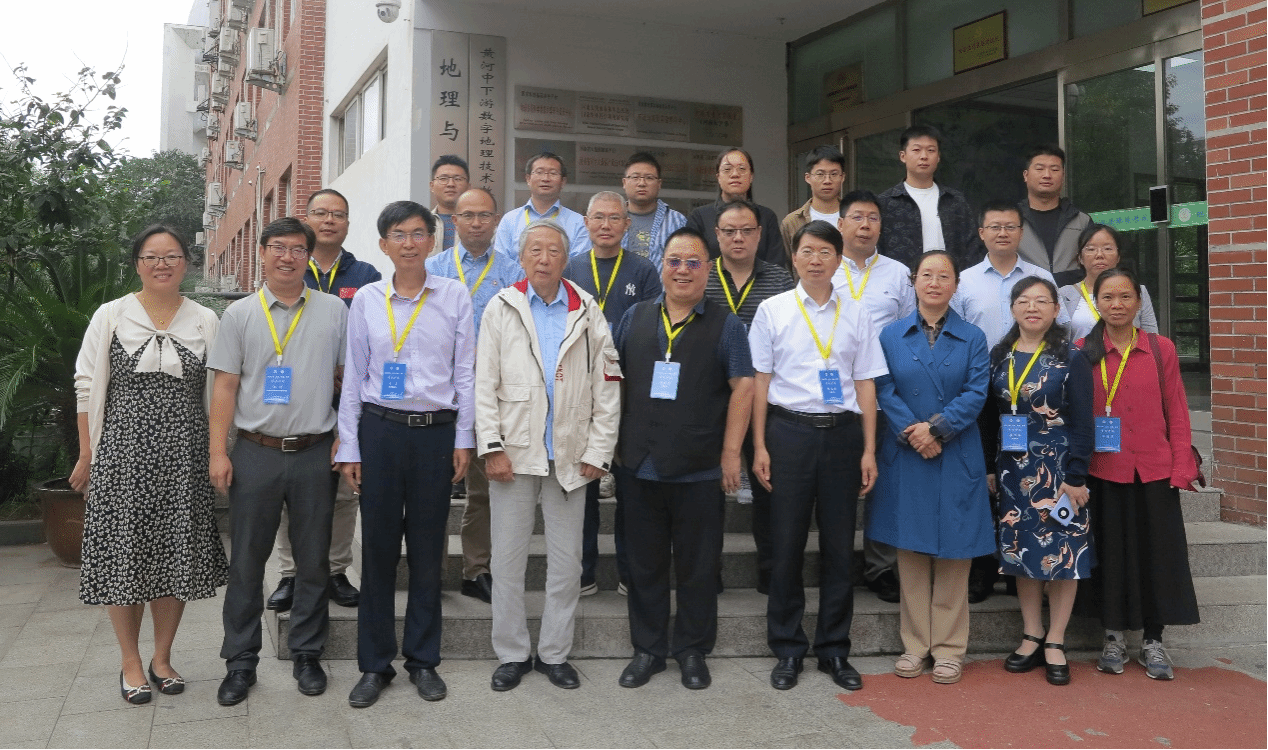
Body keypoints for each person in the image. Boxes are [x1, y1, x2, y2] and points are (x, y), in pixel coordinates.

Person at [72, 225, 229, 705]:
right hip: (122, 457)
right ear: (137, 263)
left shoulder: (205, 319)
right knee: (123, 557)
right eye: (151, 256)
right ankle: (130, 662)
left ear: (187, 262)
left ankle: (162, 657)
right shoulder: (111, 315)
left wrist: (217, 452)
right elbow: (85, 385)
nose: (162, 264)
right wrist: (86, 453)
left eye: (172, 255)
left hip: (184, 460)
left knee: (174, 557)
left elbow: (220, 392)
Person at [336, 201, 476, 708]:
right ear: (384, 244)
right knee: (376, 551)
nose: (410, 243)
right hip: (381, 432)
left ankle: (423, 660)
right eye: (399, 234)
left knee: (426, 550)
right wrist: (350, 445)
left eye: (419, 233)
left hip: (435, 434)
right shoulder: (367, 299)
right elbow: (355, 375)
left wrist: (464, 438)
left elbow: (466, 372)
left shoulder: (454, 295)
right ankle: (375, 665)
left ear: (432, 242)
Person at [476, 219, 622, 692]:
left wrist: (599, 450)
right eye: (534, 250)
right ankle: (512, 653)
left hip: (570, 457)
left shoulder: (587, 309)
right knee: (507, 562)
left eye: (553, 251)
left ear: (566, 258)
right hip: (514, 455)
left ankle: (556, 653)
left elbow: (608, 386)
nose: (544, 258)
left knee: (566, 565)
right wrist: (491, 446)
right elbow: (484, 383)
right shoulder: (502, 306)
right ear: (521, 258)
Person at [208, 217, 348, 706]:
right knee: (247, 563)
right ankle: (240, 662)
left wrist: (346, 438)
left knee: (313, 561)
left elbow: (348, 378)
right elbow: (224, 386)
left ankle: (307, 653)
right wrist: (218, 452)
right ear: (263, 253)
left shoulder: (334, 311)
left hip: (315, 453)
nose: (288, 257)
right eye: (278, 247)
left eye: (297, 249)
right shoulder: (240, 314)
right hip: (256, 452)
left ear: (309, 256)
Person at [613, 227, 754, 690]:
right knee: (644, 565)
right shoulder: (634, 316)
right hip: (639, 463)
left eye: (693, 262)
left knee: (698, 566)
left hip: (699, 466)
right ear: (662, 266)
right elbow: (612, 381)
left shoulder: (727, 325)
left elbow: (744, 386)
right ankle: (648, 650)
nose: (683, 270)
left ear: (708, 270)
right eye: (674, 261)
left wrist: (731, 454)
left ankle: (692, 650)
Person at [749, 220, 885, 693]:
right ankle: (787, 648)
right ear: (794, 257)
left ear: (838, 259)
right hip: (788, 433)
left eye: (825, 252)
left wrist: (869, 449)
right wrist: (759, 445)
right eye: (807, 250)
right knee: (785, 545)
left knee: (838, 548)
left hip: (842, 437)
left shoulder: (857, 313)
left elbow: (866, 383)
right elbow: (760, 382)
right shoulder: (773, 310)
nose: (815, 260)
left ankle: (833, 649)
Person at [869, 250, 993, 686]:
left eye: (944, 276)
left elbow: (977, 392)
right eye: (927, 275)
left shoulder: (973, 336)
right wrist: (914, 432)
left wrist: (937, 429)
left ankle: (950, 649)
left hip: (956, 451)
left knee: (956, 554)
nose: (935, 282)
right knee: (911, 551)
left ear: (956, 285)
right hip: (907, 452)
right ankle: (915, 645)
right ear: (914, 282)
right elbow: (883, 388)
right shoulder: (890, 335)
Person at [1076, 268, 1201, 682]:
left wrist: (1181, 466)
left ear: (1139, 302)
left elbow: (1177, 410)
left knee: (1157, 556)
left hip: (1154, 469)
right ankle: (1112, 636)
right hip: (1103, 470)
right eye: (1108, 297)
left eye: (1125, 296)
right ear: (1096, 303)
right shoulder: (1082, 352)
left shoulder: (1161, 349)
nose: (1117, 305)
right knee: (1110, 554)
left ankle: (1153, 640)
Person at [266, 188, 382, 615]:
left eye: (338, 214)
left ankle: (335, 570)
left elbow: (378, 332)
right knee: (288, 493)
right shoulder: (290, 266)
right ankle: (290, 573)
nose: (329, 220)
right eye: (320, 212)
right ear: (307, 219)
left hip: (348, 400)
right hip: (295, 399)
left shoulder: (366, 274)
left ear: (348, 224)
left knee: (345, 492)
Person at [952, 200, 1069, 602]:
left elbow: (1059, 331)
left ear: (1021, 233)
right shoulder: (965, 281)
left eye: (1010, 226)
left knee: (1028, 488)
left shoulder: (1041, 277)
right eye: (994, 226)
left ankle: (1025, 568)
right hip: (984, 390)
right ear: (981, 233)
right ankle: (984, 570)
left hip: (1036, 396)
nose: (1002, 233)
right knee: (986, 481)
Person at [982, 277, 1094, 687]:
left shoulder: (1071, 358)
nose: (1032, 308)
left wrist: (1077, 475)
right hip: (1012, 472)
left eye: (1042, 301)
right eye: (1024, 301)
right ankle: (1031, 633)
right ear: (1013, 308)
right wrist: (989, 467)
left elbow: (1083, 420)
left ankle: (1056, 639)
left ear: (1055, 310)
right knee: (1021, 551)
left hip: (1061, 474)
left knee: (1064, 553)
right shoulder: (1000, 356)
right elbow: (989, 417)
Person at [425, 188, 524, 605]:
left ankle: (476, 569)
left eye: (485, 215)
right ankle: (429, 571)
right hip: (436, 392)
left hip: (490, 394)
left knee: (483, 489)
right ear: (454, 221)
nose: (477, 222)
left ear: (497, 220)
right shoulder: (433, 268)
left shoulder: (513, 271)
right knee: (431, 487)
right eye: (468, 215)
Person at [563, 191, 662, 596]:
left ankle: (629, 572)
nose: (606, 225)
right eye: (598, 217)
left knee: (631, 485)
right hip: (580, 389)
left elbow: (655, 326)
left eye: (614, 218)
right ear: (586, 223)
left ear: (627, 224)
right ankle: (583, 571)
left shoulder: (643, 270)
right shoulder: (570, 267)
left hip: (629, 389)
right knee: (580, 485)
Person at [704, 199, 794, 591]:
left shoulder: (780, 279)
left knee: (768, 488)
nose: (738, 238)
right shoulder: (702, 275)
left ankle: (771, 573)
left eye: (746, 231)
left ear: (759, 234)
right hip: (711, 396)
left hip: (765, 398)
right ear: (717, 235)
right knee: (707, 491)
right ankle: (709, 573)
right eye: (729, 231)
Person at [833, 190, 915, 605]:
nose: (865, 225)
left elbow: (908, 333)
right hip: (833, 396)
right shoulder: (824, 267)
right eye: (857, 217)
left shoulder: (898, 273)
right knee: (835, 483)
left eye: (873, 218)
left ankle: (880, 566)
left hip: (882, 397)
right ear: (840, 224)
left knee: (881, 483)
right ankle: (836, 563)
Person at [876, 125, 985, 270]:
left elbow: (972, 247)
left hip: (950, 281)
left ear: (938, 157)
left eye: (931, 150)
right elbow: (877, 249)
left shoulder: (954, 200)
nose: (924, 156)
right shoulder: (885, 202)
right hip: (901, 281)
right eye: (916, 150)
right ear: (903, 156)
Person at [686, 148, 787, 269]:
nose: (735, 174)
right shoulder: (699, 217)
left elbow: (776, 265)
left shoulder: (766, 216)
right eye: (727, 169)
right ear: (718, 177)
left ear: (751, 176)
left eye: (742, 169)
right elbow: (692, 262)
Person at [1058, 223, 1159, 341]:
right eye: (1091, 249)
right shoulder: (1064, 294)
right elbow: (1058, 340)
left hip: (1128, 353)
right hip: (1080, 353)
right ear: (1080, 257)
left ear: (1118, 256)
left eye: (1107, 249)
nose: (1099, 255)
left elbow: (1152, 338)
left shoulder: (1138, 290)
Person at [1016, 144, 1091, 288]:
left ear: (1063, 176)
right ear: (1026, 175)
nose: (1047, 175)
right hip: (1025, 296)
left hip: (1074, 297)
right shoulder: (1012, 220)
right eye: (1039, 169)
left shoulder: (1081, 220)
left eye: (1054, 169)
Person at [492, 152, 589, 258]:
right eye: (539, 172)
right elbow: (501, 261)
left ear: (563, 181)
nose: (545, 178)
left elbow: (579, 264)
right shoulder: (509, 220)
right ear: (528, 179)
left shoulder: (578, 223)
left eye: (553, 173)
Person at [780, 145, 846, 271]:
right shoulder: (792, 222)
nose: (827, 180)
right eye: (820, 174)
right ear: (808, 178)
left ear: (842, 177)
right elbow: (786, 269)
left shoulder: (854, 217)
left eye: (834, 174)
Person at [621, 151, 687, 270]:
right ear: (624, 183)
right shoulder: (611, 219)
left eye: (649, 178)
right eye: (635, 177)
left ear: (659, 184)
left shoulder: (677, 221)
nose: (642, 183)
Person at [429, 155, 470, 256]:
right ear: (432, 186)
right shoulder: (423, 223)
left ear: (468, 187)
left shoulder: (480, 224)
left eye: (458, 179)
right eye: (443, 179)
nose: (451, 184)